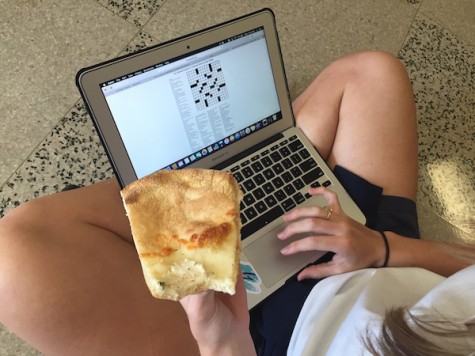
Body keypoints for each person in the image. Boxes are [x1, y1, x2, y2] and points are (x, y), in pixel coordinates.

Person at [0, 51, 473, 355]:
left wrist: (223, 345)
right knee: (372, 73)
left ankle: (195, 168)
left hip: (272, 341)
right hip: (381, 263)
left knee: (15, 256)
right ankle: (250, 155)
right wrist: (383, 249)